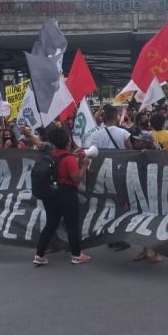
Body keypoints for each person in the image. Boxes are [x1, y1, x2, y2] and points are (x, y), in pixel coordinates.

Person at [33, 126, 92, 266]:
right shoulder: (69, 159)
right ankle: (76, 254)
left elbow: (61, 159)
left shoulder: (50, 154)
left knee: (51, 224)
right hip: (66, 193)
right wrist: (84, 166)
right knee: (72, 224)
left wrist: (72, 154)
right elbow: (76, 178)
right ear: (67, 142)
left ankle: (39, 255)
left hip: (50, 193)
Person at [89, 104, 132, 251]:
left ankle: (109, 235)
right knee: (122, 204)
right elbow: (130, 152)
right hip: (120, 173)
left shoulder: (96, 135)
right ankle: (118, 237)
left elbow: (93, 154)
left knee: (108, 204)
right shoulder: (123, 134)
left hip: (103, 173)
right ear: (116, 117)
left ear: (104, 118)